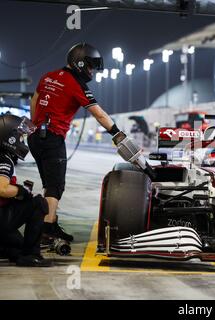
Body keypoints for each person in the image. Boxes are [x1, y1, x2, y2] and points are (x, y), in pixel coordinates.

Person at [29, 43, 127, 243]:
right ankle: (46, 230)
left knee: (49, 185)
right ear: (80, 63)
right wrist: (117, 133)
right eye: (90, 66)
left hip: (35, 137)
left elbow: (35, 100)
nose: (91, 71)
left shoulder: (48, 76)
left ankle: (51, 223)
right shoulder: (76, 84)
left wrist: (35, 126)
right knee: (55, 187)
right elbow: (98, 114)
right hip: (52, 138)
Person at [0, 114, 52, 267]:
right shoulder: (4, 159)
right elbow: (2, 189)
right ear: (10, 138)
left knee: (17, 245)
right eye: (20, 137)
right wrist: (21, 191)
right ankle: (31, 256)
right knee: (38, 203)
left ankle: (14, 252)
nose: (22, 141)